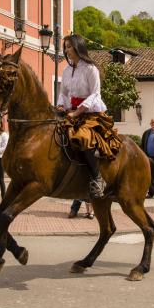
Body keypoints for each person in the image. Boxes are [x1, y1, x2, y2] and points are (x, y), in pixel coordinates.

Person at [56, 33, 121, 199]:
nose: (67, 50)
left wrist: (77, 111)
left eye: (69, 46)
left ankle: (97, 178)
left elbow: (95, 94)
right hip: (71, 111)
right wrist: (61, 105)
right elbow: (63, 93)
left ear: (78, 47)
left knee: (84, 137)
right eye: (65, 47)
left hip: (90, 113)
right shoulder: (66, 70)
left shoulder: (91, 69)